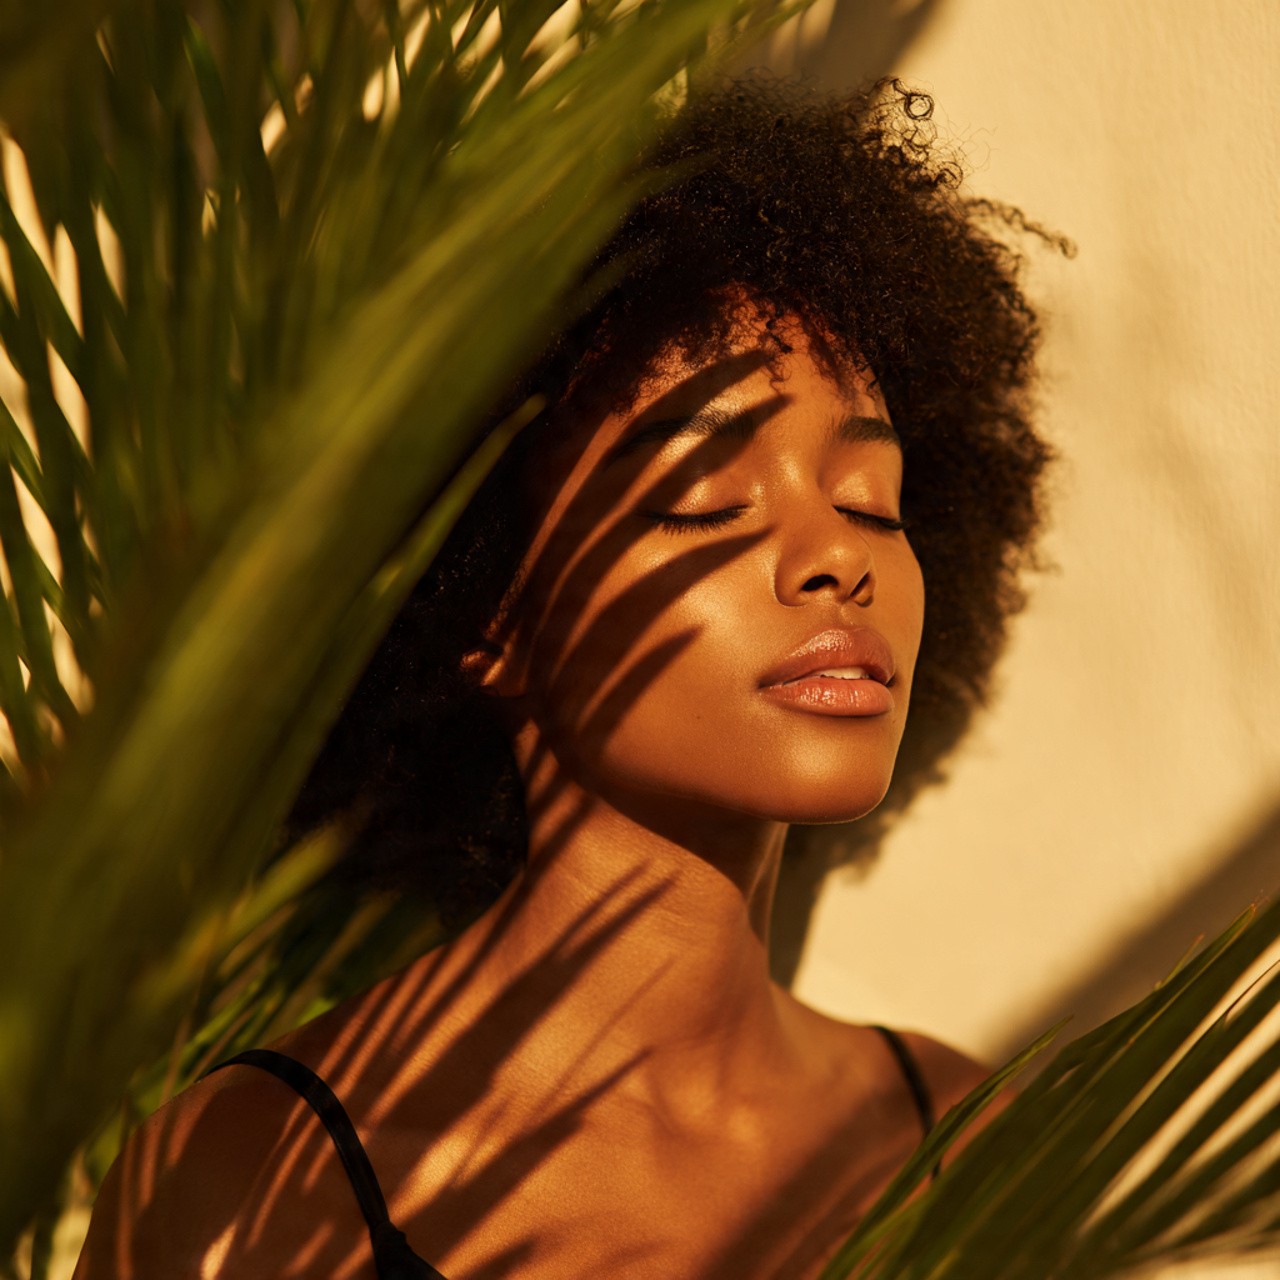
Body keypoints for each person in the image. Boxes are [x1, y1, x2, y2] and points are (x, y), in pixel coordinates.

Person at [74, 74, 1057, 1279]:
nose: (834, 558)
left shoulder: (967, 1147)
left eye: (870, 498)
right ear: (486, 608)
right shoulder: (252, 1182)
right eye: (706, 504)